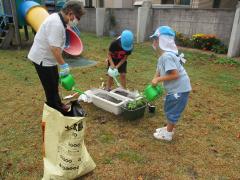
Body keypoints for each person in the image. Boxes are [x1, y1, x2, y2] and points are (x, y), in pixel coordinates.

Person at [28, 1, 85, 115]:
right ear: (70, 13)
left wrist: (61, 64)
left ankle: (58, 104)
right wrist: (63, 65)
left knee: (54, 82)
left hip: (49, 59)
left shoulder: (59, 20)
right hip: (42, 59)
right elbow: (54, 49)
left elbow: (56, 47)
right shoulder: (56, 23)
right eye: (77, 17)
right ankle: (55, 110)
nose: (77, 20)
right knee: (50, 86)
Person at [150, 26, 192, 141]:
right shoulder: (164, 56)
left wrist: (158, 80)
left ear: (163, 40)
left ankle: (168, 134)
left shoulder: (167, 56)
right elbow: (158, 69)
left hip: (179, 90)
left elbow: (175, 75)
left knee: (172, 110)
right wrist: (155, 79)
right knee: (169, 107)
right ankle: (168, 128)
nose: (154, 42)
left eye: (156, 39)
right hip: (177, 89)